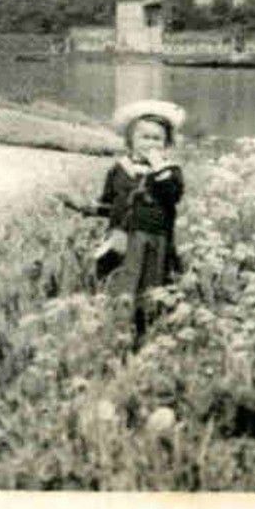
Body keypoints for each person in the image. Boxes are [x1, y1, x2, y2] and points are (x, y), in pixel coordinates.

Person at [59, 99, 187, 348]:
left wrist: (158, 167)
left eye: (157, 139)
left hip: (154, 240)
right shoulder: (119, 170)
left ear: (166, 144)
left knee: (151, 289)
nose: (151, 144)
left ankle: (147, 336)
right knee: (121, 285)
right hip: (122, 240)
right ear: (130, 140)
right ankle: (117, 335)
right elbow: (110, 205)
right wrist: (82, 206)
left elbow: (173, 195)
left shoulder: (170, 172)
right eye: (144, 137)